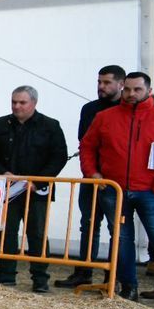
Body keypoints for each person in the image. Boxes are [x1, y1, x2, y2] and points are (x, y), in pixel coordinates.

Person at [0, 86, 68, 292]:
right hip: (8, 189)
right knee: (6, 231)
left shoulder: (50, 126)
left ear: (34, 103)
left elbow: (58, 157)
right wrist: (1, 173)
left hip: (37, 191)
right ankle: (5, 274)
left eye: (22, 102)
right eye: (14, 102)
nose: (17, 106)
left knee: (36, 233)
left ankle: (40, 279)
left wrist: (39, 181)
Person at [79, 71, 154, 301]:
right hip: (114, 190)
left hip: (150, 190)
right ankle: (128, 287)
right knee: (121, 239)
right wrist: (92, 174)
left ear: (148, 91)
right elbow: (87, 146)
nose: (132, 94)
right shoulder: (105, 116)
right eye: (128, 89)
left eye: (137, 90)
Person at [56, 65, 126, 289]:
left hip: (117, 181)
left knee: (117, 229)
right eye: (99, 82)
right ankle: (83, 271)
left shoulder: (126, 111)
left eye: (106, 83)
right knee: (88, 225)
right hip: (92, 176)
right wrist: (91, 172)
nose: (101, 87)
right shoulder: (89, 109)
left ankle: (113, 274)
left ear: (120, 84)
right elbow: (86, 143)